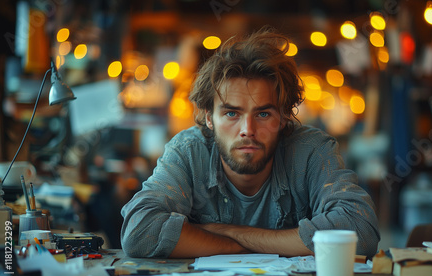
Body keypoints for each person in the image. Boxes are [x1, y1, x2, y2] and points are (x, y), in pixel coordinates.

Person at [121, 27, 380, 259]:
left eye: (263, 114)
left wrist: (227, 233)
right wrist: (258, 246)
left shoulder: (310, 150)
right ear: (209, 118)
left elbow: (360, 230)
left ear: (284, 118)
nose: (248, 130)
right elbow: (140, 232)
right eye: (232, 113)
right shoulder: (189, 151)